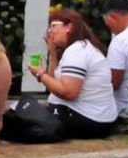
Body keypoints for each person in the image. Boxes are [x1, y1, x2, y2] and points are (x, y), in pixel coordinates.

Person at [27, 8, 117, 138]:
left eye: (53, 26)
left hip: (88, 119)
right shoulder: (80, 47)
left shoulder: (77, 51)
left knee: (20, 116)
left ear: (69, 27)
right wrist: (52, 54)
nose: (50, 32)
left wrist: (41, 74)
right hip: (97, 118)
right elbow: (54, 86)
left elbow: (68, 92)